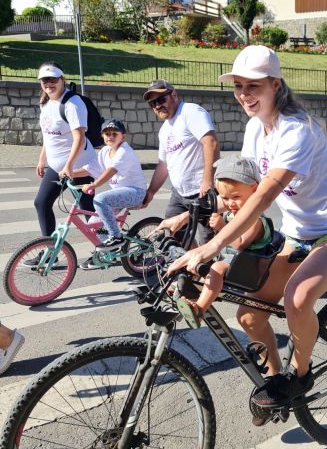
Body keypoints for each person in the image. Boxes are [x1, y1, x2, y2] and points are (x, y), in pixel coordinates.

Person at [166, 45, 327, 420]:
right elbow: (242, 192)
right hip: (297, 234)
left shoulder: (297, 130)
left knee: (297, 299)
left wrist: (213, 247)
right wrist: (186, 217)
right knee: (250, 316)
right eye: (238, 86)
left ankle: (299, 377)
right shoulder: (256, 128)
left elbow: (265, 195)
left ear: (275, 85)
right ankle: (274, 383)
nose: (244, 94)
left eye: (253, 86)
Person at [154, 156, 273, 329]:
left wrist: (223, 226)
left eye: (235, 197)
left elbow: (240, 244)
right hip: (231, 259)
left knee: (216, 269)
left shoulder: (254, 219)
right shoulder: (234, 210)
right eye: (224, 198)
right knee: (195, 262)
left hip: (247, 265)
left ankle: (199, 309)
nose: (230, 203)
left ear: (254, 190)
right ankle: (183, 292)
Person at [27, 62, 97, 267]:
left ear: (62, 79)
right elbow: (48, 135)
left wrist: (69, 166)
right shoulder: (45, 103)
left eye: (53, 79)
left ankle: (105, 247)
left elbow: (79, 138)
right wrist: (42, 159)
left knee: (87, 208)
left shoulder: (73, 103)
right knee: (41, 203)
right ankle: (50, 252)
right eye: (44, 80)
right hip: (57, 168)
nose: (48, 83)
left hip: (80, 166)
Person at [142, 79, 220, 246]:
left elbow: (211, 143)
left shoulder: (190, 112)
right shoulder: (164, 130)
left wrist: (208, 181)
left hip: (200, 192)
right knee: (175, 235)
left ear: (174, 95)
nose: (157, 106)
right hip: (179, 194)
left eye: (161, 99)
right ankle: (190, 260)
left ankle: (207, 262)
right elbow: (163, 164)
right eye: (153, 103)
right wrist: (151, 192)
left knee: (207, 242)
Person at [72, 119, 147, 258]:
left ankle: (116, 236)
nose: (110, 136)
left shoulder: (124, 151)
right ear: (102, 136)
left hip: (136, 192)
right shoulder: (105, 151)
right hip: (118, 194)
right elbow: (90, 169)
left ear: (123, 136)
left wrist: (94, 185)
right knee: (93, 225)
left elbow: (111, 170)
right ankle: (108, 254)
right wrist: (69, 173)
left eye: (114, 134)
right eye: (107, 134)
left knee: (100, 199)